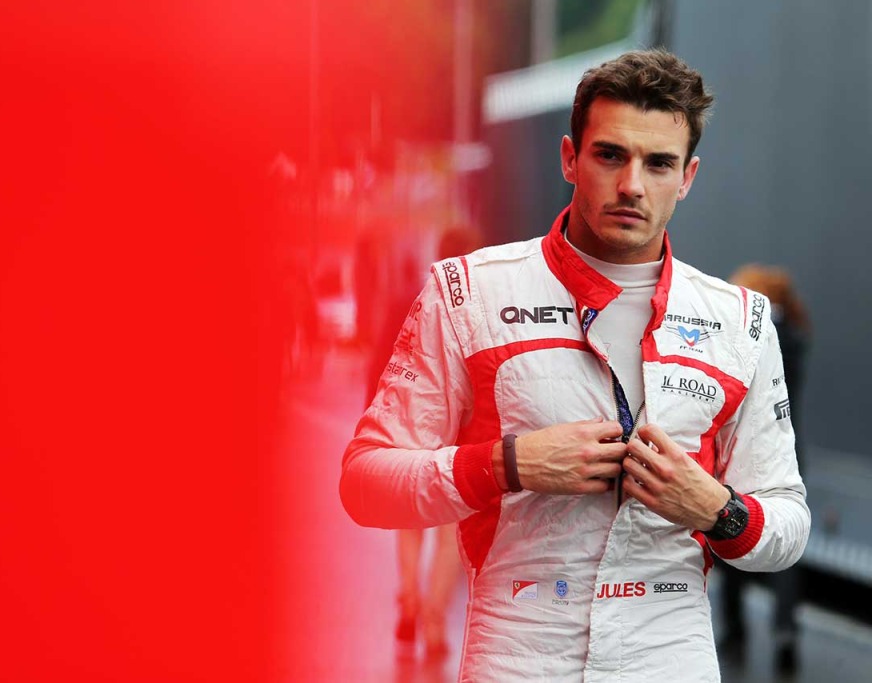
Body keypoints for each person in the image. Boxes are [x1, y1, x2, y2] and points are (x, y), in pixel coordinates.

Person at [339, 48, 810, 682]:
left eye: (659, 163)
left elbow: (789, 525)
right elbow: (365, 483)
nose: (632, 185)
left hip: (671, 659)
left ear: (688, 176)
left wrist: (714, 508)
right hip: (518, 659)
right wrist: (506, 464)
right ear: (570, 158)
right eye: (610, 155)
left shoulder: (741, 321)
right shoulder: (467, 293)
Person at [365, 226, 485, 660]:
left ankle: (410, 600)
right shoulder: (478, 306)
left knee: (409, 519)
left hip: (409, 425)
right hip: (457, 431)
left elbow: (382, 360)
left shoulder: (410, 299)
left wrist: (374, 419)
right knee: (449, 528)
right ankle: (434, 619)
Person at [717, 263, 811, 674]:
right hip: (788, 453)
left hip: (740, 451)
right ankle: (786, 630)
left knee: (730, 531)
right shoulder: (797, 335)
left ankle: (734, 630)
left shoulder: (750, 331)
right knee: (787, 552)